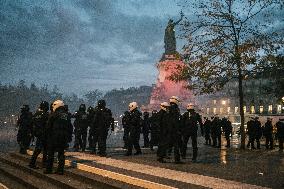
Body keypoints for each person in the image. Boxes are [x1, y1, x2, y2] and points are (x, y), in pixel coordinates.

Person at [44, 100, 73, 174]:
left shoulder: (54, 114)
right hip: (63, 137)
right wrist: (69, 137)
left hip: (54, 136)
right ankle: (60, 170)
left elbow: (48, 126)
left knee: (51, 153)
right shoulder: (66, 115)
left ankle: (49, 169)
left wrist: (47, 135)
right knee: (61, 153)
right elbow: (70, 127)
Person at [29, 101, 49, 169]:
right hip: (44, 134)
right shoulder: (46, 114)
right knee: (44, 150)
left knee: (38, 149)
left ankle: (33, 163)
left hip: (38, 134)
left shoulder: (36, 114)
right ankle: (42, 163)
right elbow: (48, 125)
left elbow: (32, 123)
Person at [168, 96, 182, 163]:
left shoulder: (169, 108)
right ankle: (177, 159)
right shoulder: (175, 109)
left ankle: (163, 155)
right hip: (174, 129)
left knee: (168, 143)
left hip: (169, 129)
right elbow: (175, 120)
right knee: (176, 145)